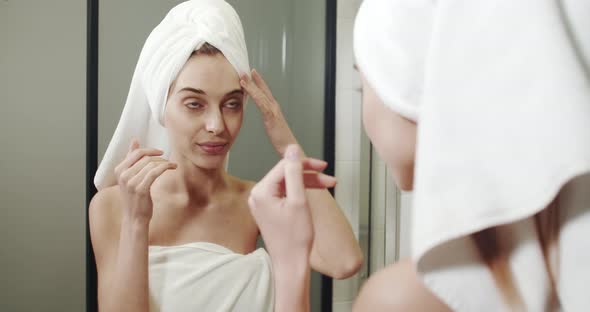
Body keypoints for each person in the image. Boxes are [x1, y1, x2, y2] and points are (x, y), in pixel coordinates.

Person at [250, 0, 590, 311]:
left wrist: (290, 267)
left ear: (414, 87)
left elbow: (343, 261)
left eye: (362, 85)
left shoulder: (403, 300)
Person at [89, 0, 362, 311]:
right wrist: (137, 222)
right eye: (194, 104)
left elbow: (344, 261)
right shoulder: (114, 206)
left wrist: (287, 145)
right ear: (160, 106)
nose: (217, 125)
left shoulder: (256, 202)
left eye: (232, 104)